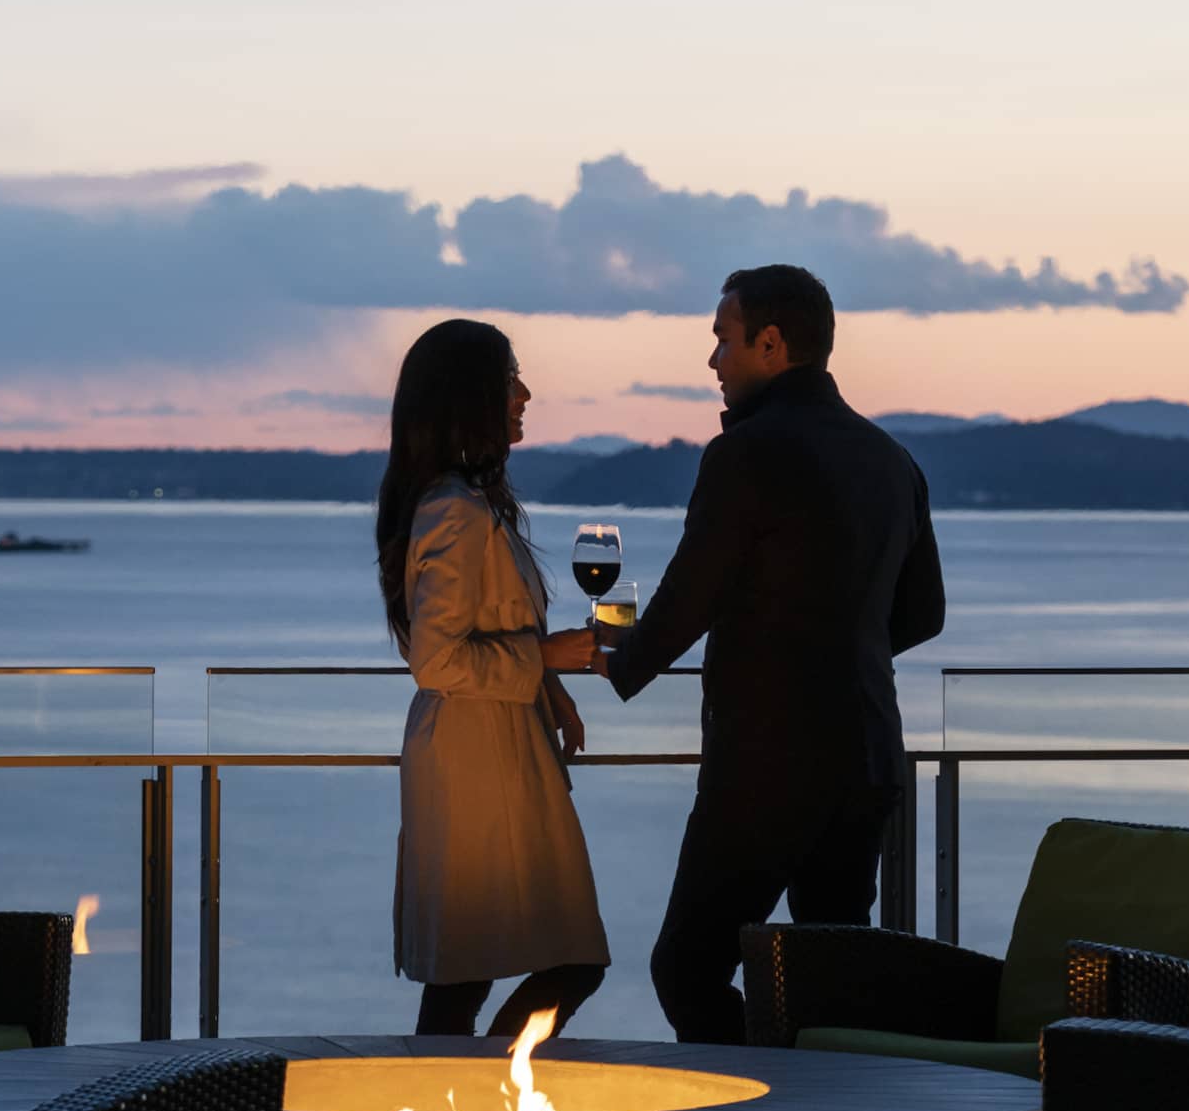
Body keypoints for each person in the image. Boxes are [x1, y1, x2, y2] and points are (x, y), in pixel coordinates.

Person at [596, 265, 945, 1043]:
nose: (712, 362)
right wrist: (832, 651)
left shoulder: (746, 454)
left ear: (772, 343)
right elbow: (924, 614)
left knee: (686, 967)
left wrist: (617, 660)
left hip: (765, 763)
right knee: (832, 979)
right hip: (866, 758)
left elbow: (692, 596)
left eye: (723, 341)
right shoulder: (893, 460)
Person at [376, 319, 609, 1038]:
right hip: (478, 758)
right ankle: (485, 1098)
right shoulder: (454, 511)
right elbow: (438, 658)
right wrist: (546, 660)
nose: (525, 393)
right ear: (467, 396)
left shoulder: (469, 504)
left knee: (470, 973)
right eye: (510, 379)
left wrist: (551, 687)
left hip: (494, 745)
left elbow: (489, 627)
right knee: (549, 960)